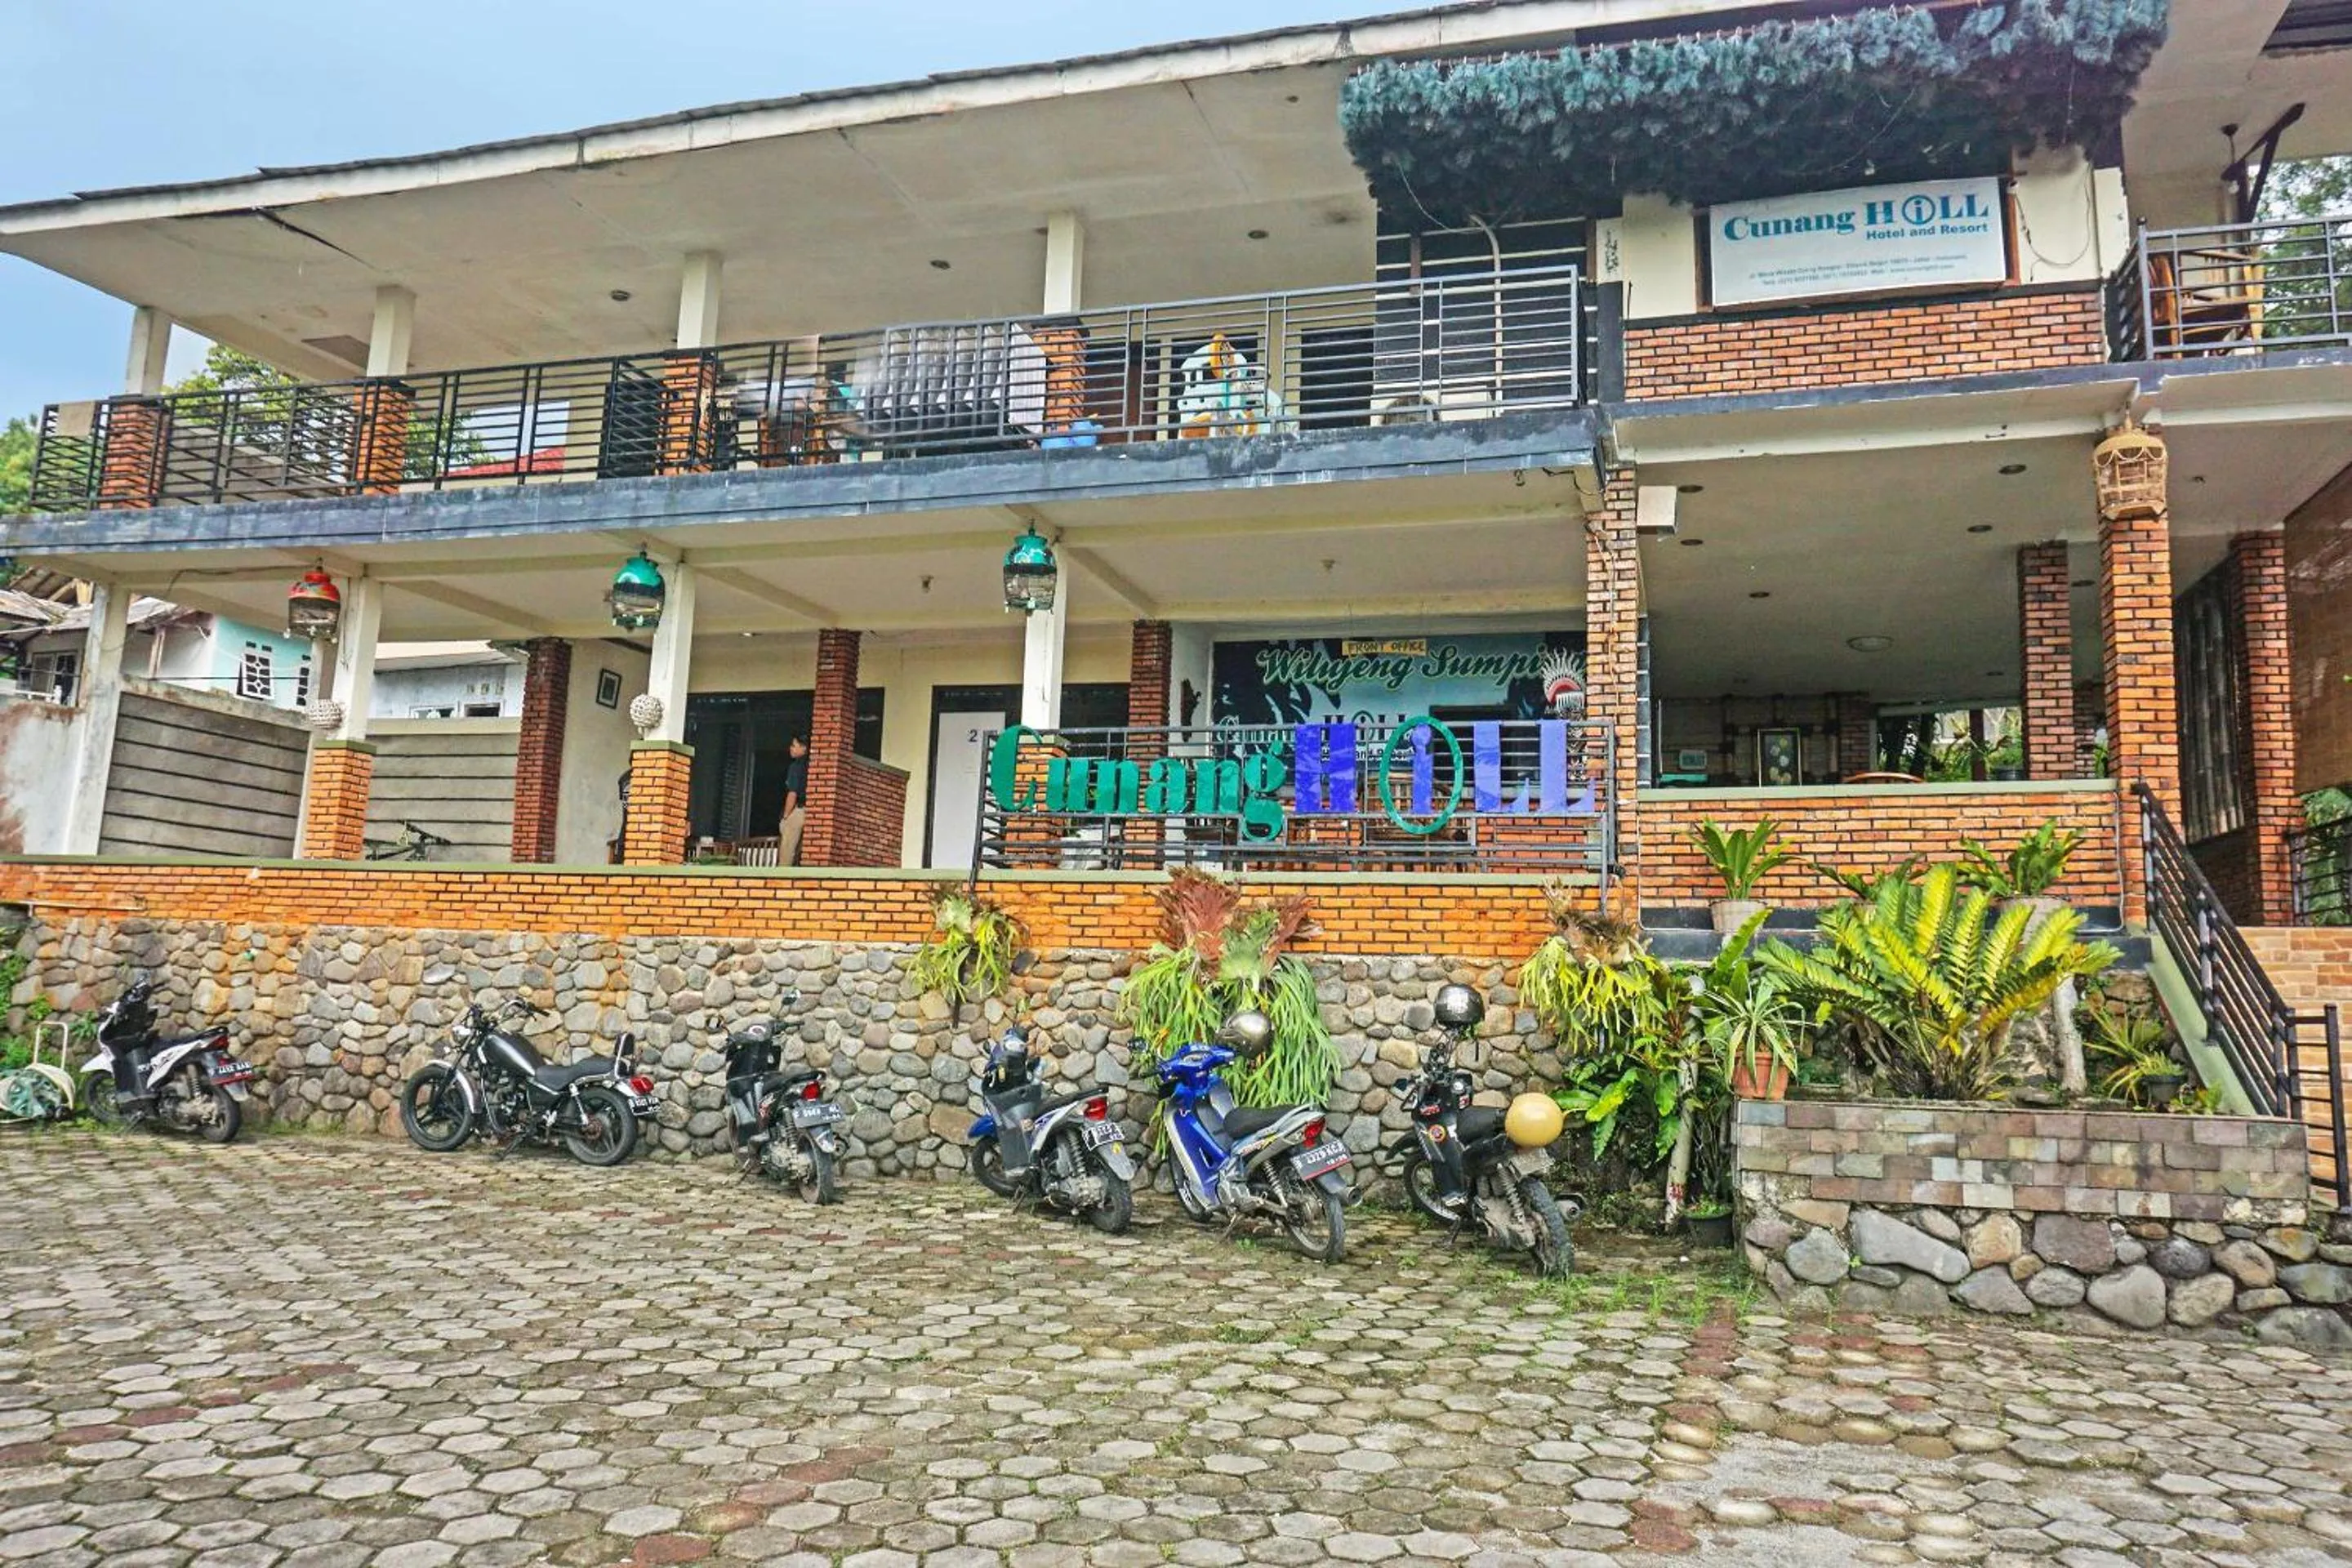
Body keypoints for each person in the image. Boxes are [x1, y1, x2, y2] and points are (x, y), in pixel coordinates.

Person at [778, 736, 808, 866]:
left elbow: (793, 793)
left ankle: (782, 877)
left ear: (804, 748)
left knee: (787, 848)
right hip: (811, 811)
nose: (791, 748)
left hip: (800, 810)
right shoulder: (811, 765)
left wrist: (786, 817)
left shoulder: (796, 766)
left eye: (794, 745)